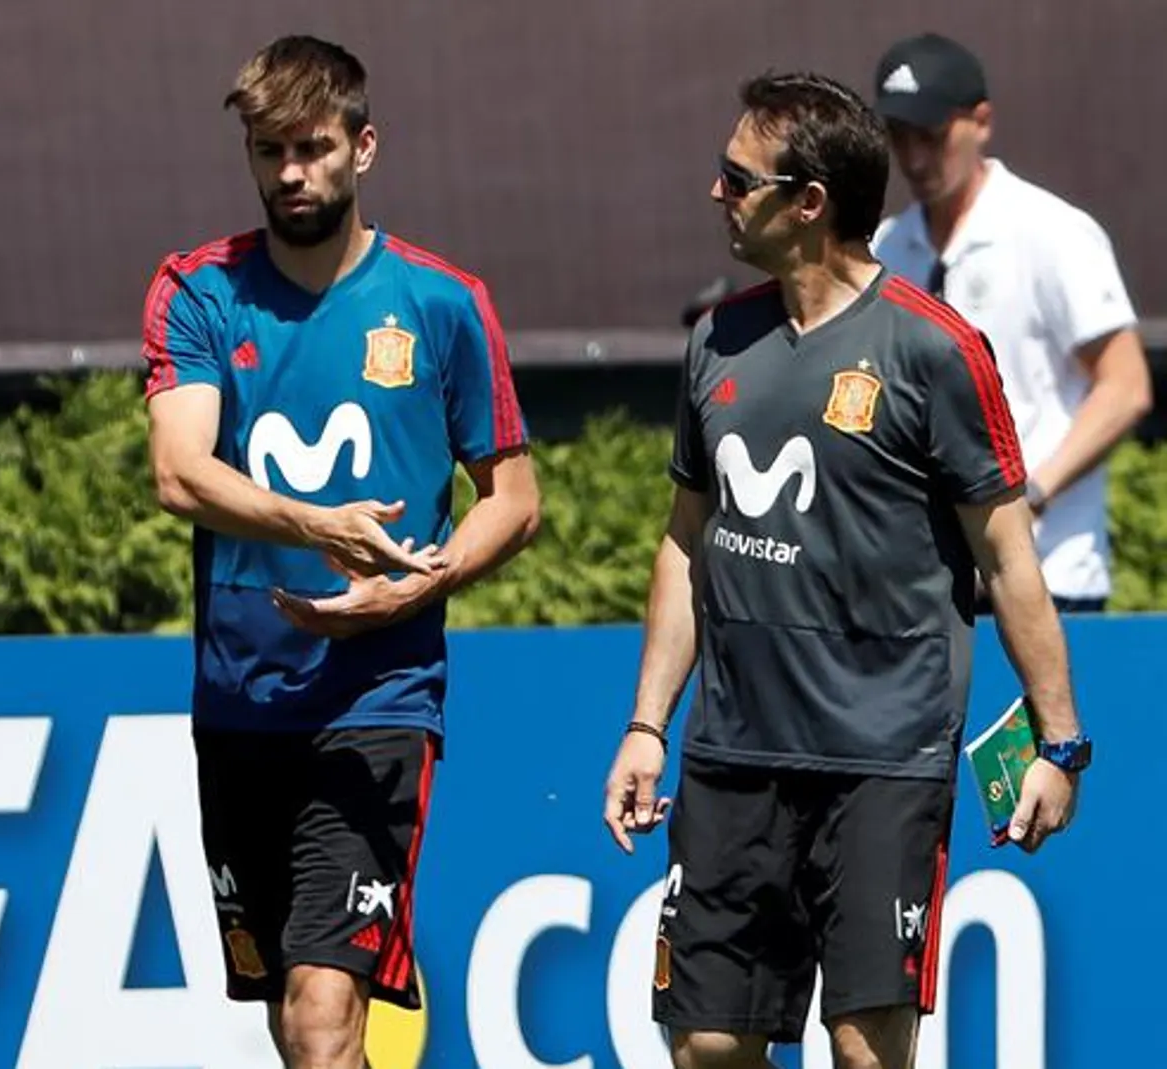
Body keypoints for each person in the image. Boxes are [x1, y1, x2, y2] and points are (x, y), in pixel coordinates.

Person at [602, 72, 1091, 1069]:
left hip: (882, 762)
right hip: (732, 757)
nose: (716, 194)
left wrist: (1060, 741)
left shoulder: (934, 349)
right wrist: (647, 723)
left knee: (867, 1052)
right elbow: (684, 538)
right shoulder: (715, 342)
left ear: (809, 202)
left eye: (737, 179)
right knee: (703, 1044)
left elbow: (1004, 551)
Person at [142, 35, 541, 1069]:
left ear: (364, 148)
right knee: (294, 1024)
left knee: (324, 1015)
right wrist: (320, 526)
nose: (290, 173)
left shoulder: (441, 302)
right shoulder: (198, 291)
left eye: (313, 148)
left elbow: (513, 501)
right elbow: (180, 472)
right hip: (238, 703)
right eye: (269, 151)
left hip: (376, 699)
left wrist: (418, 584)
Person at [870, 32, 1152, 613]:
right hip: (922, 594)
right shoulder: (886, 249)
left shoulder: (1051, 233)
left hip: (1048, 582)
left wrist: (1032, 495)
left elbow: (1125, 387)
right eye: (900, 138)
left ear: (982, 121)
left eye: (932, 135)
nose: (916, 159)